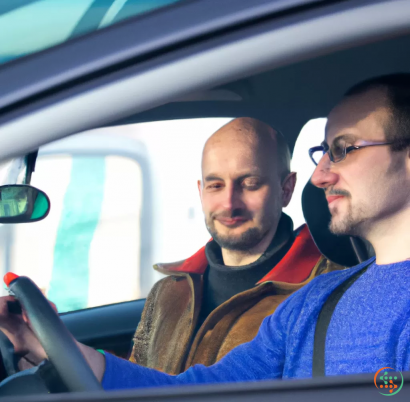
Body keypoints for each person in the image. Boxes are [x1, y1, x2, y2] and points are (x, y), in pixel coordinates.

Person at [3, 73, 410, 389]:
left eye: (343, 149)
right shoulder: (316, 302)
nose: (320, 176)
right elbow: (205, 390)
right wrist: (59, 350)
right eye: (322, 154)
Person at [129, 117, 341, 374]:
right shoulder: (168, 292)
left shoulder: (329, 291)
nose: (229, 203)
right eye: (215, 185)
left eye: (249, 184)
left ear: (286, 190)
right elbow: (134, 383)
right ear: (200, 192)